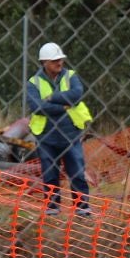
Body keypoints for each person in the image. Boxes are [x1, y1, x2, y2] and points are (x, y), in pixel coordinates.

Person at [26, 41, 94, 215]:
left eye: (61, 59)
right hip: (46, 137)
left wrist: (51, 98)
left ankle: (82, 207)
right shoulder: (33, 82)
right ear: (44, 62)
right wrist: (63, 105)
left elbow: (76, 96)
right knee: (50, 174)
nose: (60, 63)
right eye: (55, 60)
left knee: (77, 172)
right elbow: (37, 108)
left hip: (70, 134)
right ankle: (52, 206)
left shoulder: (70, 76)